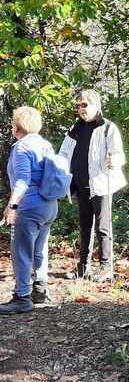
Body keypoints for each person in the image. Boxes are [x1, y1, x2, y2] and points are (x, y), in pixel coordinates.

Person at [59, 90, 126, 280]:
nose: (81, 109)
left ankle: (106, 268)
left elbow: (119, 154)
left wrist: (115, 160)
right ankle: (83, 267)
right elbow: (63, 153)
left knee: (103, 227)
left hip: (101, 184)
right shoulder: (75, 128)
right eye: (78, 106)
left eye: (84, 105)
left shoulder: (108, 127)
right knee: (85, 227)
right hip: (80, 185)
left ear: (96, 105)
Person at [0, 107, 58, 314]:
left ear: (17, 126)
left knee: (22, 252)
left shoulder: (21, 147)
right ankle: (40, 290)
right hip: (49, 205)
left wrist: (12, 206)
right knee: (39, 248)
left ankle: (22, 297)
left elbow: (22, 180)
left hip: (30, 206)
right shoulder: (45, 144)